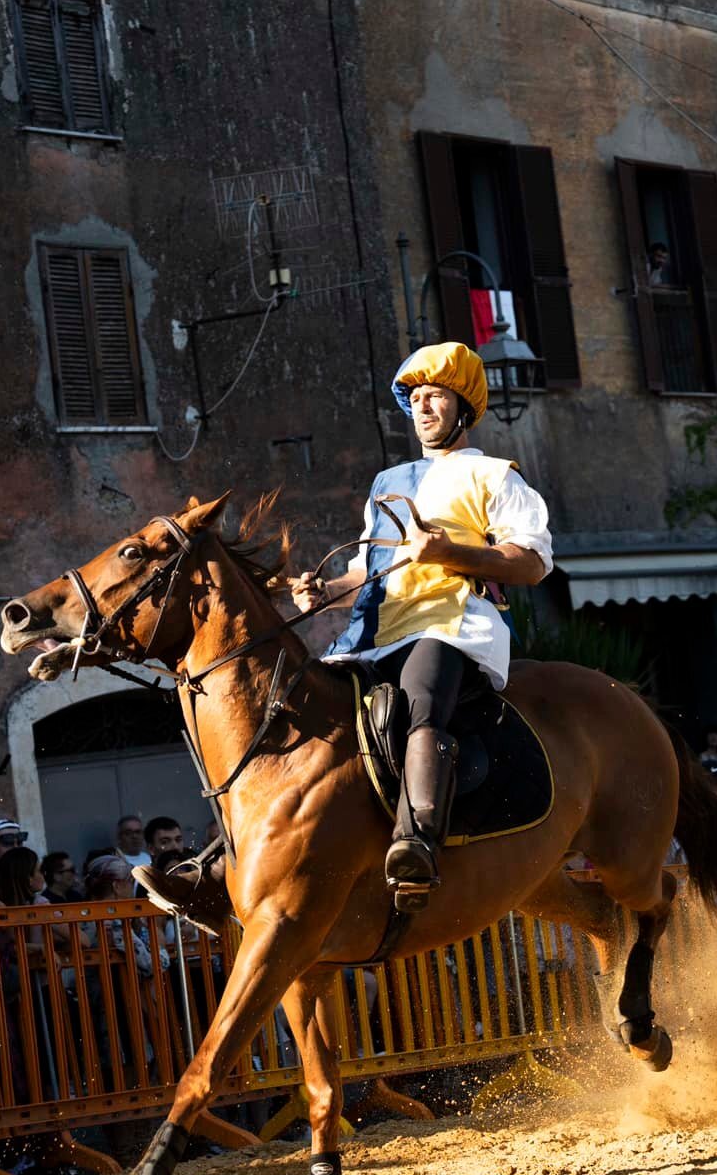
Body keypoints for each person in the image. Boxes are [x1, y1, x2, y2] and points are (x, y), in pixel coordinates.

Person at [158, 340, 551, 919]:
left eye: (435, 396)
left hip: (449, 623)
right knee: (297, 715)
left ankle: (417, 841)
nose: (422, 407)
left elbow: (533, 562)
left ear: (463, 406)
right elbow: (366, 570)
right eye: (415, 398)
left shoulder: (494, 476)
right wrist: (325, 592)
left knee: (420, 700)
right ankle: (221, 864)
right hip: (373, 633)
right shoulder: (388, 480)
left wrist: (450, 550)